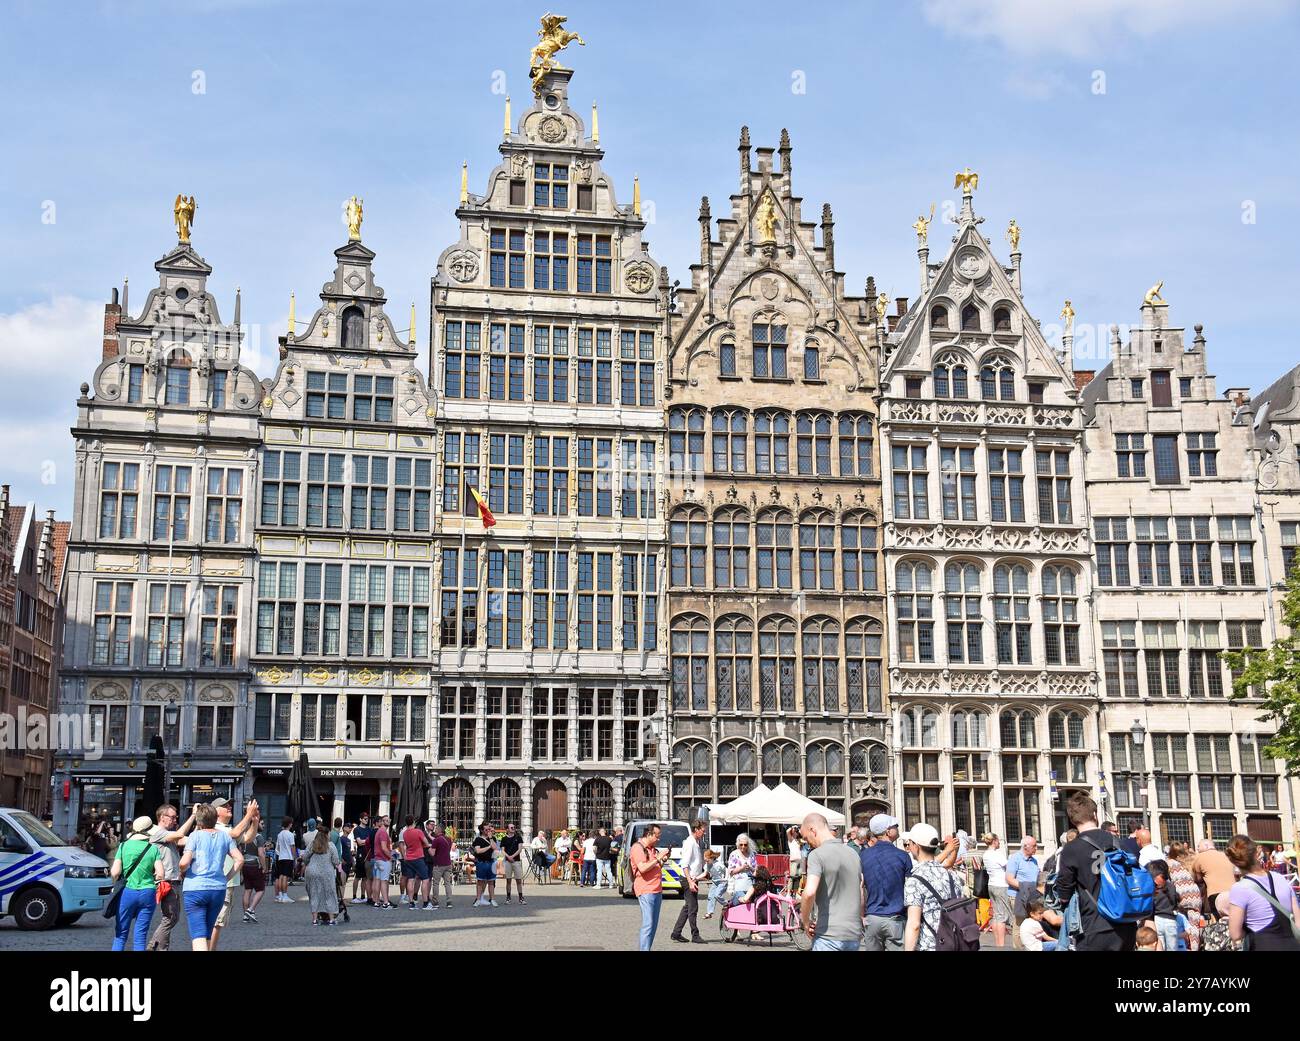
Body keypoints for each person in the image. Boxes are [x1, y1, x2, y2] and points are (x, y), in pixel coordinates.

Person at [1054, 791, 1137, 951]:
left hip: (1094, 924)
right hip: (1126, 922)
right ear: (1095, 814)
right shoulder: (1118, 842)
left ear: (1072, 819)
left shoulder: (1071, 849)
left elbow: (1064, 890)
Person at [178, 803, 241, 952]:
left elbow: (184, 862)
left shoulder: (195, 836)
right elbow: (239, 859)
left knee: (198, 934)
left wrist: (182, 870)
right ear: (215, 818)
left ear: (199, 821)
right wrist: (226, 877)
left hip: (195, 888)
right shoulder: (225, 836)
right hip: (218, 888)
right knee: (207, 931)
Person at [799, 813, 863, 951]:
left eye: (805, 838)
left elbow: (809, 892)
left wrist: (805, 922)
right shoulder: (853, 854)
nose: (807, 842)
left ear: (813, 830)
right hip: (853, 934)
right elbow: (860, 891)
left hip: (828, 935)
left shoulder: (816, 855)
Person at [1227, 834, 1300, 951]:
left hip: (1263, 945)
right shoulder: (1281, 878)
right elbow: (1298, 920)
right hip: (1292, 945)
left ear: (1233, 861)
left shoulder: (1240, 889)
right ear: (1257, 853)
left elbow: (1235, 934)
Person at [902, 824, 963, 952]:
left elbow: (914, 925)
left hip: (930, 945)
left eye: (910, 843)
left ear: (916, 846)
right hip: (954, 942)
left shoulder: (914, 881)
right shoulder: (952, 876)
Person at [209, 796, 259, 950]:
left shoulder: (227, 829)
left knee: (217, 922)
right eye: (225, 806)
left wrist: (255, 822)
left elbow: (246, 838)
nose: (229, 807)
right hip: (221, 880)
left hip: (226, 881)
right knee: (216, 922)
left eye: (229, 804)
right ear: (216, 812)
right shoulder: (217, 828)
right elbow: (237, 834)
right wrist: (248, 815)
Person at [146, 803, 195, 951]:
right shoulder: (158, 832)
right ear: (162, 817)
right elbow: (180, 835)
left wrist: (202, 828)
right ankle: (153, 946)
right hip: (166, 881)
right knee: (171, 917)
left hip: (173, 880)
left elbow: (186, 839)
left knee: (170, 917)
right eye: (172, 817)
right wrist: (192, 816)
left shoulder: (168, 835)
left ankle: (160, 948)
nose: (175, 820)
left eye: (176, 817)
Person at [859, 813, 911, 951]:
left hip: (873, 917)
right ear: (888, 832)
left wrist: (861, 915)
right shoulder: (902, 856)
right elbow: (910, 889)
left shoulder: (864, 856)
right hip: (895, 918)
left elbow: (860, 888)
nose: (898, 828)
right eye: (895, 826)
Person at [109, 816, 163, 951]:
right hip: (148, 892)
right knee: (141, 935)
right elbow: (161, 873)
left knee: (120, 934)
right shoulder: (153, 848)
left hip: (127, 892)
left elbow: (115, 872)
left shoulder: (123, 846)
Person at [630, 822, 671, 950]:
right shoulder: (637, 848)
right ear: (649, 834)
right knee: (648, 924)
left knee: (653, 925)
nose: (658, 839)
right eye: (657, 836)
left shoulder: (652, 849)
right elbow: (642, 868)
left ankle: (647, 948)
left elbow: (655, 867)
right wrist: (658, 858)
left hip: (657, 889)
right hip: (645, 889)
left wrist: (662, 860)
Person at [670, 819, 707, 944]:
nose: (704, 833)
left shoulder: (696, 842)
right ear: (696, 830)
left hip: (693, 878)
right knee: (693, 907)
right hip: (688, 879)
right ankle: (695, 935)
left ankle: (676, 932)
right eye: (702, 831)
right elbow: (684, 864)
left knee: (688, 907)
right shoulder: (689, 843)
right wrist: (690, 881)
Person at [1166, 842, 1204, 950]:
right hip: (1194, 894)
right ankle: (1195, 947)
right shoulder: (1191, 861)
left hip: (1179, 894)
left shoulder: (1168, 863)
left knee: (1180, 921)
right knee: (1194, 925)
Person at [302, 826, 343, 925]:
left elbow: (305, 857)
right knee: (329, 894)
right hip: (326, 873)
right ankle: (331, 919)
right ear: (327, 835)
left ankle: (315, 919)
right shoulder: (331, 845)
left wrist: (309, 864)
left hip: (312, 872)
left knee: (314, 894)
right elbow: (336, 861)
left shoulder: (312, 844)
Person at [1005, 835, 1040, 948]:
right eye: (1034, 846)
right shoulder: (1015, 858)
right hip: (1017, 896)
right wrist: (1026, 887)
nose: (1036, 848)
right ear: (1025, 846)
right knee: (1019, 925)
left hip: (1032, 897)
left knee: (1031, 924)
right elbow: (1009, 879)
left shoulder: (1034, 861)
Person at [1190, 839, 1235, 918]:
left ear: (1206, 845)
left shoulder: (1199, 856)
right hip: (1233, 892)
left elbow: (1197, 879)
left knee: (1220, 923)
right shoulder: (1225, 855)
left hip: (1215, 894)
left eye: (1198, 846)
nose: (1197, 849)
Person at [981, 832, 1011, 948]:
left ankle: (998, 943)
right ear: (994, 841)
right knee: (1002, 916)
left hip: (991, 884)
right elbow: (1008, 866)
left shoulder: (986, 854)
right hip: (1001, 884)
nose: (999, 843)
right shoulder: (997, 854)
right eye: (998, 840)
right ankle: (1001, 944)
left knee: (996, 915)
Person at [1145, 859, 1180, 951]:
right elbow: (1177, 899)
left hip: (1157, 919)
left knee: (1160, 946)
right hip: (1171, 920)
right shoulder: (1171, 886)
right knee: (1173, 948)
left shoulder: (1151, 888)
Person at [400, 815, 433, 910]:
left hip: (409, 858)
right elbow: (426, 843)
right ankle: (425, 903)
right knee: (425, 879)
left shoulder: (405, 833)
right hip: (418, 857)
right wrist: (427, 844)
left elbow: (407, 844)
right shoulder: (418, 831)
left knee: (410, 879)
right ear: (414, 822)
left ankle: (411, 903)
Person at [240, 832, 267, 922]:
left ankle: (245, 916)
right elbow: (260, 854)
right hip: (255, 865)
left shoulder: (243, 836)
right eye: (261, 823)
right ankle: (250, 909)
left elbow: (240, 851)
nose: (262, 825)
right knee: (261, 890)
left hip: (245, 865)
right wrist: (264, 867)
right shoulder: (258, 837)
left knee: (248, 890)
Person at [472, 822, 499, 907]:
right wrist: (488, 847)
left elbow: (495, 848)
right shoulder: (478, 839)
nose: (488, 830)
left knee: (491, 882)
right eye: (486, 829)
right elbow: (478, 851)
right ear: (482, 830)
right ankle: (478, 899)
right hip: (481, 863)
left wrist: (491, 838)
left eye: (489, 829)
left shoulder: (493, 838)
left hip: (491, 862)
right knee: (480, 882)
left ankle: (493, 899)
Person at [726, 833, 758, 905]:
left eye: (745, 845)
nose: (743, 846)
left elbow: (756, 870)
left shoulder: (752, 854)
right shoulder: (734, 854)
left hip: (750, 887)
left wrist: (750, 868)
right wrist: (742, 868)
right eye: (741, 844)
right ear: (737, 844)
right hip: (738, 886)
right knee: (743, 901)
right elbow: (731, 872)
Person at [370, 815, 394, 908]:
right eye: (385, 820)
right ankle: (386, 902)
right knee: (384, 881)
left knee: (377, 880)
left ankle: (376, 901)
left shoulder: (379, 831)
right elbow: (384, 848)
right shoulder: (383, 832)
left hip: (377, 859)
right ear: (382, 822)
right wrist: (390, 856)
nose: (388, 821)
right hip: (383, 859)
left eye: (389, 820)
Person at [499, 822, 527, 904]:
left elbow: (520, 849)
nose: (513, 828)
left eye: (514, 827)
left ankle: (521, 898)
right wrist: (508, 857)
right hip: (508, 862)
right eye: (511, 827)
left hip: (516, 861)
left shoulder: (518, 838)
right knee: (508, 880)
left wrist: (512, 856)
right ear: (507, 829)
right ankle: (508, 898)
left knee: (518, 880)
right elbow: (503, 850)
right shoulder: (504, 839)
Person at [429, 824, 455, 908]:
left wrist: (428, 848)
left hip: (438, 864)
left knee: (436, 883)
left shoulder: (436, 840)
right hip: (447, 863)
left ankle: (435, 902)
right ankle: (449, 901)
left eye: (436, 829)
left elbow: (432, 853)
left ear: (440, 830)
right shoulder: (449, 839)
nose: (435, 830)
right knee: (447, 883)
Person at [273, 816, 298, 903]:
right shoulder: (290, 835)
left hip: (281, 857)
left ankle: (280, 895)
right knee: (285, 877)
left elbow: (278, 847)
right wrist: (295, 857)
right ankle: (285, 895)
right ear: (289, 824)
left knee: (280, 876)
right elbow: (292, 847)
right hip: (288, 857)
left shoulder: (279, 834)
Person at [351, 812, 374, 902]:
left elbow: (366, 841)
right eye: (365, 818)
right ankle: (354, 896)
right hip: (360, 854)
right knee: (358, 876)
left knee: (365, 877)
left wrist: (365, 841)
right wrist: (367, 841)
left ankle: (363, 896)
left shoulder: (369, 829)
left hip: (367, 854)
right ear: (360, 819)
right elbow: (359, 842)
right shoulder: (356, 829)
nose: (366, 820)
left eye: (367, 818)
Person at [703, 849, 728, 918]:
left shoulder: (718, 864)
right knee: (710, 896)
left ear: (711, 858)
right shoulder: (707, 865)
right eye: (705, 860)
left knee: (717, 895)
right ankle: (709, 912)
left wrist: (726, 878)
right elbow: (704, 874)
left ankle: (726, 903)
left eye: (707, 860)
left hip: (722, 882)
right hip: (715, 883)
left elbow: (726, 870)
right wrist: (696, 878)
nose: (706, 861)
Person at [786, 825, 804, 893]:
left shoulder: (799, 840)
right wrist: (793, 827)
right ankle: (788, 892)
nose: (796, 832)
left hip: (800, 860)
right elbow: (787, 831)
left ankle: (796, 892)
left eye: (796, 832)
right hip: (793, 861)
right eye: (795, 831)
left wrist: (798, 830)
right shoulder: (791, 839)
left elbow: (804, 837)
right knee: (792, 877)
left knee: (799, 877)